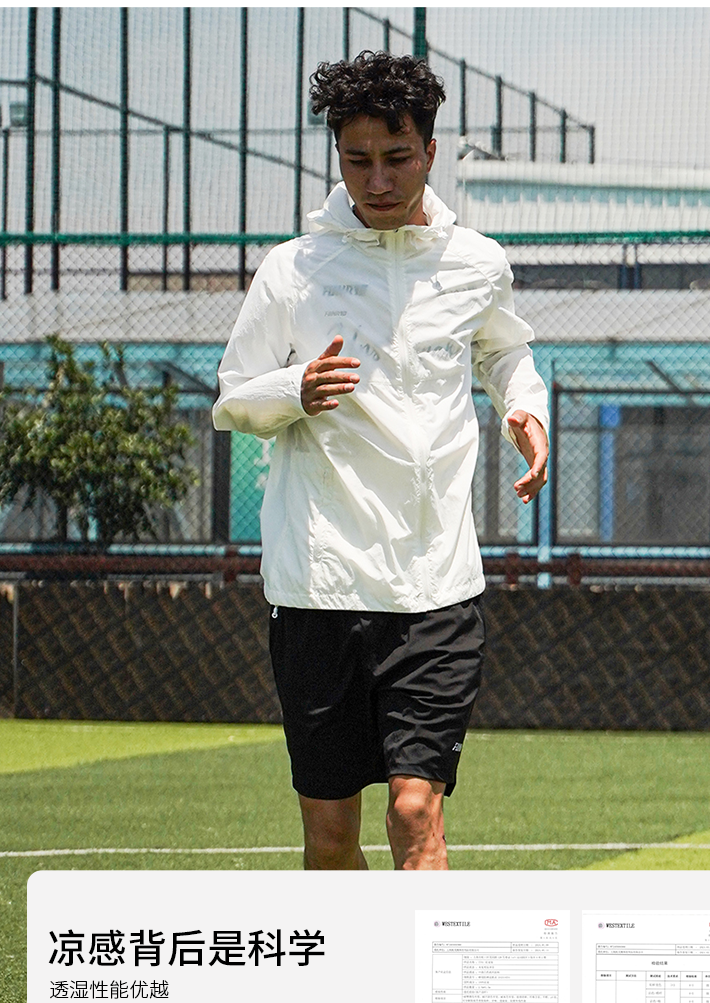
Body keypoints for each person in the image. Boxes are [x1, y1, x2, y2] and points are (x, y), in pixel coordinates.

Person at [212, 51, 549, 871]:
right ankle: (354, 963)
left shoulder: (476, 263)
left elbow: (505, 351)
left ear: (430, 152)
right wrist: (295, 388)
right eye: (357, 160)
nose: (377, 180)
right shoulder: (292, 269)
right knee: (330, 835)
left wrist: (526, 407)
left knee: (414, 810)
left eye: (396, 158)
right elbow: (232, 399)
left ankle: (419, 963)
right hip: (319, 589)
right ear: (337, 157)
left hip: (435, 587)